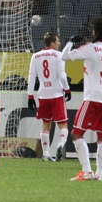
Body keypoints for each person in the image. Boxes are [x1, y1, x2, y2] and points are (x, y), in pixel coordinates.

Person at [61, 16, 102, 181]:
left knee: (76, 133)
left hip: (94, 97)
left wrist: (70, 42)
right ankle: (99, 174)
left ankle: (87, 171)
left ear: (95, 31)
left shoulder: (91, 48)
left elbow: (64, 57)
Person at [27, 32, 71, 162]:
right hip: (56, 94)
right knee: (63, 125)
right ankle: (60, 146)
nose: (59, 43)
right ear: (52, 43)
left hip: (43, 95)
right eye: (57, 41)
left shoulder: (35, 56)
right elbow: (62, 75)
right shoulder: (59, 55)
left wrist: (30, 96)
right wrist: (67, 89)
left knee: (46, 125)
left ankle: (46, 153)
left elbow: (31, 77)